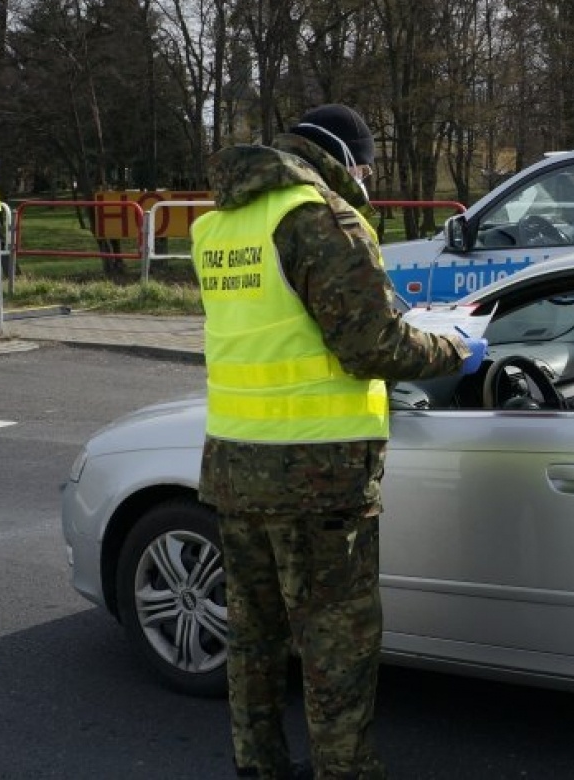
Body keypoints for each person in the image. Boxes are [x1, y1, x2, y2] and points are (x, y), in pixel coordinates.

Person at [190, 103, 488, 780]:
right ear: (347, 159)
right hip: (317, 474)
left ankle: (257, 765)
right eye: (370, 165)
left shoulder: (218, 226)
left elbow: (277, 329)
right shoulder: (319, 217)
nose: (371, 177)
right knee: (336, 645)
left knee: (254, 637)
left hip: (235, 465)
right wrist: (455, 350)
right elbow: (369, 344)